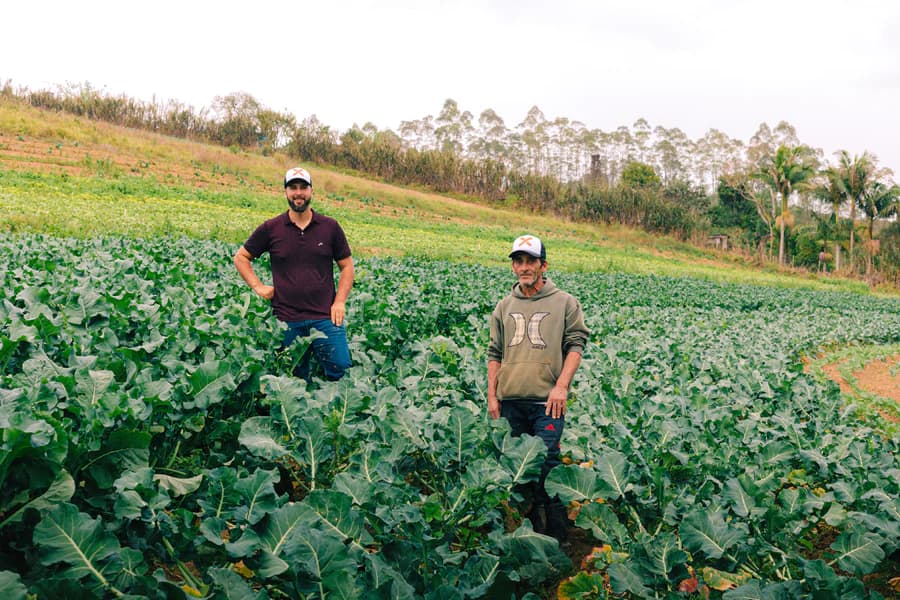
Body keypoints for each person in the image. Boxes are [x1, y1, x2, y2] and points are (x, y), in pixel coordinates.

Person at [487, 234, 589, 543]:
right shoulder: (503, 307)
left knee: (546, 463)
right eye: (519, 261)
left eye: (531, 261)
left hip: (547, 401)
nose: (524, 267)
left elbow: (576, 344)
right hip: (510, 400)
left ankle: (559, 534)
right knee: (520, 469)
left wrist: (561, 387)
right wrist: (492, 396)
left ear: (543, 265)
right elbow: (495, 353)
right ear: (514, 267)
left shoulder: (565, 302)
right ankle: (532, 532)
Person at [234, 166, 354, 381]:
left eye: (303, 187)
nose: (298, 193)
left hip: (325, 318)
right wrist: (257, 286)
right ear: (286, 192)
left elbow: (347, 266)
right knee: (292, 380)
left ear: (311, 191)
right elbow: (241, 257)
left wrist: (340, 302)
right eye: (293, 188)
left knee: (341, 373)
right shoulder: (271, 228)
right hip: (286, 320)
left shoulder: (330, 227)